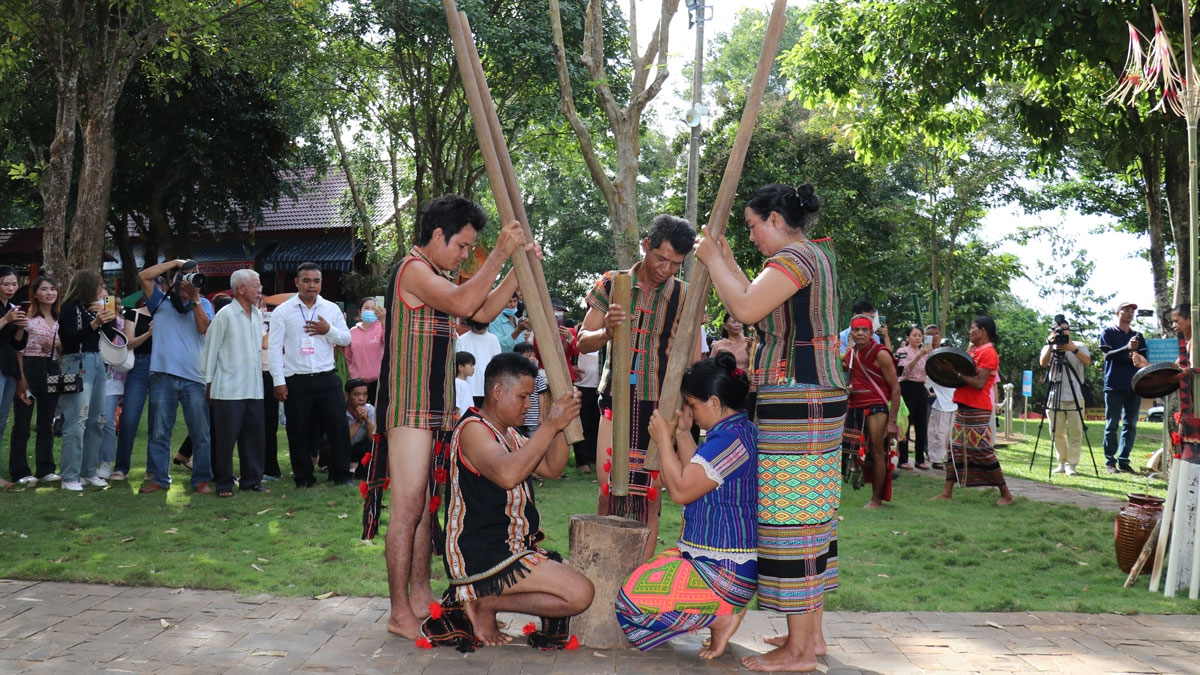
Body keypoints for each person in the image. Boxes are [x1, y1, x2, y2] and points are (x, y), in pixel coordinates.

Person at [695, 183, 848, 672]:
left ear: (777, 220)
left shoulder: (797, 259)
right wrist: (725, 260)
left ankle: (800, 652)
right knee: (808, 515)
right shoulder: (807, 257)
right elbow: (751, 294)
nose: (754, 235)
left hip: (798, 397)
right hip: (809, 394)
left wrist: (711, 260)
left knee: (790, 520)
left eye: (754, 225)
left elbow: (743, 309)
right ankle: (812, 638)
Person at [376, 194, 528, 639]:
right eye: (463, 246)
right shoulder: (414, 270)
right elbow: (465, 303)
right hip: (409, 407)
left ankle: (421, 597)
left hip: (434, 408)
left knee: (424, 508)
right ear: (438, 235)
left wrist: (517, 268)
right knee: (407, 510)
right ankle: (399, 611)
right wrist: (499, 253)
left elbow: (480, 311)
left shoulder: (436, 273)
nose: (466, 254)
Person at [440, 352, 592, 646]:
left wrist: (559, 426)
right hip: (481, 552)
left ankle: (487, 601)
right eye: (523, 396)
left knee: (575, 589)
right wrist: (549, 425)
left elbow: (552, 467)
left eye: (531, 397)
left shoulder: (509, 433)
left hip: (511, 547)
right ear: (498, 392)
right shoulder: (473, 429)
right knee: (580, 593)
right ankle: (484, 601)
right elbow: (507, 475)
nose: (528, 404)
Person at [616, 353, 758, 658]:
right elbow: (695, 475)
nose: (690, 410)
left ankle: (720, 614)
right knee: (644, 581)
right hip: (722, 563)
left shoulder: (728, 441)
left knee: (629, 609)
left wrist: (665, 441)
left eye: (693, 404)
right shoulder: (736, 432)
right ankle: (720, 610)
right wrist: (681, 433)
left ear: (715, 404)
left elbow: (681, 490)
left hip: (725, 572)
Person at [575, 214, 696, 563]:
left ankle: (637, 579)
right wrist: (607, 332)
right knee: (608, 487)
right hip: (615, 399)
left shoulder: (683, 294)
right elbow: (583, 342)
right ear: (646, 247)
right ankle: (604, 567)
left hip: (658, 404)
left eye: (675, 264)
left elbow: (689, 353)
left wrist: (686, 404)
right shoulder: (614, 283)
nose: (666, 269)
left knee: (650, 495)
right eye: (661, 259)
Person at [268, 262, 355, 488]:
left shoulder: (331, 309)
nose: (311, 285)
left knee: (338, 428)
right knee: (298, 431)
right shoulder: (283, 311)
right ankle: (304, 477)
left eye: (316, 281)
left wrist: (328, 331)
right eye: (306, 281)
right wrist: (279, 382)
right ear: (297, 282)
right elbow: (275, 348)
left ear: (321, 283)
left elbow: (346, 339)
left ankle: (341, 475)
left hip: (327, 377)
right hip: (297, 379)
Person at [137, 259, 215, 495]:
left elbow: (204, 329)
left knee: (201, 433)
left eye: (193, 277)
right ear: (173, 281)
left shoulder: (204, 304)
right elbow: (144, 276)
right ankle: (160, 479)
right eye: (183, 278)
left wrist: (194, 299)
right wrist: (176, 263)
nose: (188, 282)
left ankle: (201, 480)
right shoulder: (159, 302)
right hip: (163, 376)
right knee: (159, 432)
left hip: (194, 378)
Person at [930, 317, 1015, 506]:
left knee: (983, 451)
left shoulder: (989, 354)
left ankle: (1007, 495)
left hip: (979, 408)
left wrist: (954, 373)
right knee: (954, 450)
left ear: (983, 331)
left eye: (973, 328)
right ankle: (947, 493)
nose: (970, 331)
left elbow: (978, 384)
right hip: (963, 406)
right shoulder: (973, 351)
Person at [201, 269, 268, 497]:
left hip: (253, 387)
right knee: (225, 439)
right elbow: (210, 350)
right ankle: (224, 483)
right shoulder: (225, 315)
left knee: (254, 436)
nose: (260, 290)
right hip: (227, 388)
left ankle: (251, 480)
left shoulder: (258, 315)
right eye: (255, 285)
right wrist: (208, 382)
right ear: (240, 289)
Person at [57, 271, 117, 491]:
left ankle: (88, 472)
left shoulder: (93, 309)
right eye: (99, 286)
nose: (102, 290)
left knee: (97, 419)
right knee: (77, 420)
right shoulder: (69, 308)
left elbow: (109, 337)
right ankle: (70, 476)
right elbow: (69, 340)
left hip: (98, 362)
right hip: (78, 363)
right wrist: (94, 324)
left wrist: (105, 317)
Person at [843, 315, 901, 509]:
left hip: (876, 407)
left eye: (864, 330)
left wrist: (892, 421)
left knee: (877, 451)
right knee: (854, 452)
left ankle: (876, 499)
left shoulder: (881, 353)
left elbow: (895, 388)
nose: (860, 333)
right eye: (856, 330)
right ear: (851, 333)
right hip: (855, 408)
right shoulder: (850, 355)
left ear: (871, 333)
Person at [10, 276, 60, 485]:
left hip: (51, 369)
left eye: (53, 289)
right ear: (35, 294)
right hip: (28, 367)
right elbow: (16, 346)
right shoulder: (27, 316)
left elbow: (67, 346)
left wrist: (57, 344)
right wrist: (21, 377)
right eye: (44, 289)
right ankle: (20, 471)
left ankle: (45, 468)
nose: (50, 293)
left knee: (46, 421)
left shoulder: (60, 318)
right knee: (22, 421)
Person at [1038, 316, 1091, 476]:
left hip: (1075, 394)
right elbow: (1043, 363)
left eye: (1065, 329)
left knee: (1076, 431)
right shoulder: (1049, 346)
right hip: (1055, 394)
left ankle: (1071, 464)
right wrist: (1050, 345)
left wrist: (1071, 348)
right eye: (1058, 329)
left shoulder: (1079, 346)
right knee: (1056, 431)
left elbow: (1088, 361)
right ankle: (1061, 461)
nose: (1063, 332)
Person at [1099, 301, 1148, 473]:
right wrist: (1126, 348)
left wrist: (1136, 354)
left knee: (1131, 424)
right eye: (1125, 310)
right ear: (1118, 312)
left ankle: (1124, 461)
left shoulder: (1138, 336)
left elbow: (1143, 358)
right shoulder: (1108, 332)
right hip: (1113, 385)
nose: (1129, 314)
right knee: (1112, 424)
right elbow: (1107, 356)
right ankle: (1109, 462)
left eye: (1132, 311)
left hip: (1135, 385)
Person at [112, 299, 152, 482]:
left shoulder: (168, 314)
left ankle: (153, 468)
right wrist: (150, 333)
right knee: (129, 418)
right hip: (139, 365)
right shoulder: (133, 313)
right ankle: (121, 467)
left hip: (162, 366)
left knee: (158, 420)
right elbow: (129, 343)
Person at [0, 266, 28, 487]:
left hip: (9, 367)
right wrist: (7, 319)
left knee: (2, 421)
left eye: (14, 284)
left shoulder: (11, 307)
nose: (11, 288)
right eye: (5, 283)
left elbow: (17, 343)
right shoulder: (7, 312)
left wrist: (20, 327)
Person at [895, 325, 933, 470]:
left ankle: (919, 458)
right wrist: (919, 355)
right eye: (914, 335)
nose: (917, 338)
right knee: (905, 423)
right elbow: (904, 370)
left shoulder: (926, 353)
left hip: (920, 388)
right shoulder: (902, 351)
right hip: (907, 387)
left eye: (919, 335)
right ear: (908, 337)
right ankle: (903, 459)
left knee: (921, 424)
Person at [343, 297, 385, 403]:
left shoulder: (381, 328)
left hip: (377, 382)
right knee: (357, 413)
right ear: (360, 311)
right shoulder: (352, 331)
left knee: (375, 413)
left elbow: (390, 342)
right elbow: (348, 356)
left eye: (373, 308)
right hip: (357, 382)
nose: (370, 311)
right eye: (366, 308)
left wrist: (384, 322)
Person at [924, 325, 953, 471]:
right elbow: (926, 378)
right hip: (938, 401)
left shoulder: (954, 364)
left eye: (937, 334)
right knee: (938, 432)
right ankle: (935, 458)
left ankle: (949, 457)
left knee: (950, 433)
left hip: (953, 401)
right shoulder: (929, 356)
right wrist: (930, 391)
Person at [457, 319, 502, 408]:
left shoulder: (493, 339)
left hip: (487, 388)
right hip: (468, 387)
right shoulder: (462, 339)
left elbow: (498, 365)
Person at [513, 342, 549, 437]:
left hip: (533, 417)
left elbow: (541, 395)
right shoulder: (512, 376)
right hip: (516, 415)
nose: (532, 358)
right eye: (529, 356)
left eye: (533, 355)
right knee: (516, 438)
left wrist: (541, 415)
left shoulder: (537, 375)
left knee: (533, 440)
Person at [343, 377, 376, 476]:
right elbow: (342, 441)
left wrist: (366, 420)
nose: (361, 398)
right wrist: (358, 422)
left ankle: (362, 472)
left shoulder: (370, 410)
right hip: (342, 448)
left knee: (372, 446)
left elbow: (373, 440)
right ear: (347, 395)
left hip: (359, 449)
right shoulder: (339, 410)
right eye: (357, 394)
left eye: (365, 394)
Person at [453, 351, 476, 418]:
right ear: (461, 367)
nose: (473, 368)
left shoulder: (466, 383)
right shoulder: (457, 383)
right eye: (471, 365)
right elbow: (457, 406)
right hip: (461, 420)